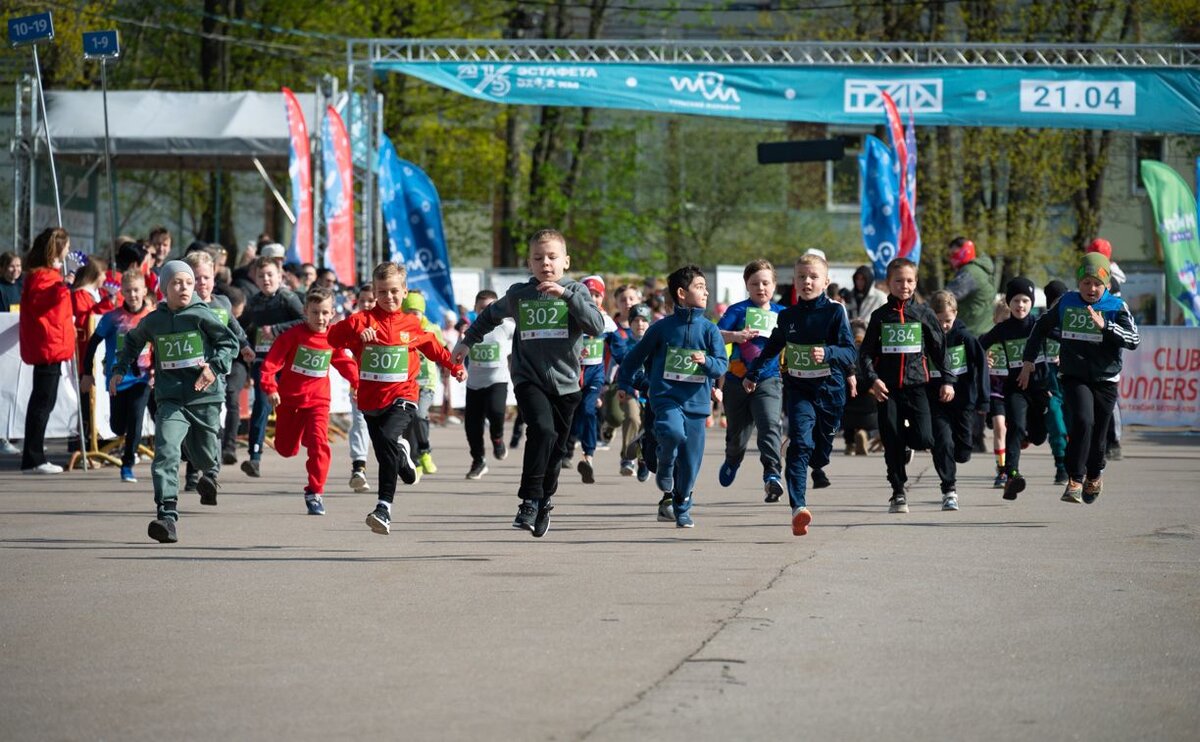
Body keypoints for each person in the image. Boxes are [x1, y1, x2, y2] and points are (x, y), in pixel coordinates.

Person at [451, 229, 605, 538]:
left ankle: (544, 500)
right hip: (528, 378)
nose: (545, 263)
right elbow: (489, 316)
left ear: (565, 261)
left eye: (552, 257)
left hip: (567, 384)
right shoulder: (520, 294)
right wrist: (467, 342)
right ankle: (528, 502)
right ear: (529, 263)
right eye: (538, 258)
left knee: (556, 449)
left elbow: (597, 326)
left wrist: (567, 297)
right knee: (542, 431)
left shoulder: (576, 290)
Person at [328, 262, 466, 535]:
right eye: (382, 292)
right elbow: (331, 337)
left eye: (393, 291)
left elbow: (434, 348)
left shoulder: (412, 324)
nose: (388, 297)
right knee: (386, 454)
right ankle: (402, 457)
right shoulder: (360, 320)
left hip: (404, 395)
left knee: (388, 438)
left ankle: (383, 508)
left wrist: (455, 367)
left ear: (404, 291)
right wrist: (356, 334)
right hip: (371, 401)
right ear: (374, 292)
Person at [110, 261, 239, 543]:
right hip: (170, 398)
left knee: (204, 454)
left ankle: (210, 475)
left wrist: (213, 368)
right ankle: (167, 515)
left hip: (204, 395)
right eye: (177, 283)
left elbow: (230, 343)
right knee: (166, 450)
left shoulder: (201, 314)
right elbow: (132, 341)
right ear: (164, 288)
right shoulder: (154, 320)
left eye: (189, 283)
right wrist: (119, 369)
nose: (184, 288)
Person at [743, 253, 855, 535]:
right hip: (799, 389)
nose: (807, 282)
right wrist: (753, 373)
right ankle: (798, 508)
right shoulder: (788, 316)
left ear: (826, 281)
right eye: (802, 277)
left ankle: (813, 459)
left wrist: (828, 352)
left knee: (820, 455)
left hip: (830, 390)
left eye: (814, 277)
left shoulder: (835, 312)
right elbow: (772, 347)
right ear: (794, 281)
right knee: (800, 446)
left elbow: (849, 351)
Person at [1020, 253, 1139, 504]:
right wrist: (1028, 359)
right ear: (1078, 283)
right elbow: (1040, 326)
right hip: (1074, 375)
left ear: (1107, 284)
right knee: (1083, 421)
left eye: (1097, 284)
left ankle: (1094, 475)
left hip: (1106, 379)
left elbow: (1133, 340)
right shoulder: (1067, 301)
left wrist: (1106, 327)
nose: (1091, 289)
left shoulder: (1116, 307)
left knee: (1099, 432)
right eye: (1086, 283)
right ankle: (1075, 478)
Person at [617, 265, 728, 527]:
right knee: (672, 432)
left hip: (697, 404)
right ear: (681, 293)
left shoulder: (710, 330)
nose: (706, 292)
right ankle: (665, 464)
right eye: (699, 287)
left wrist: (706, 362)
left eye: (705, 288)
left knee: (690, 464)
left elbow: (721, 365)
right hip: (666, 397)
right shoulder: (661, 328)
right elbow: (633, 358)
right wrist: (625, 382)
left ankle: (682, 504)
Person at [858, 257, 954, 513]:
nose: (905, 285)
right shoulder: (880, 316)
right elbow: (865, 354)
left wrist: (948, 380)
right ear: (888, 283)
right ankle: (898, 491)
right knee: (891, 438)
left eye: (910, 280)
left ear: (916, 282)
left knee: (925, 437)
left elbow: (939, 350)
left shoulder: (924, 314)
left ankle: (909, 444)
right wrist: (873, 379)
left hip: (916, 386)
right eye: (899, 281)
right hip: (887, 389)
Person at [259, 286, 359, 515]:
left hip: (318, 401)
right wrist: (270, 388)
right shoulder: (292, 336)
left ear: (332, 313)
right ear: (305, 311)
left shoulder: (333, 337)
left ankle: (315, 492)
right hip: (290, 402)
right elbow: (270, 365)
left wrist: (357, 383)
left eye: (325, 313)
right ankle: (301, 436)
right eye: (315, 312)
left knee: (319, 444)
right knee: (286, 449)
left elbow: (345, 363)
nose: (320, 318)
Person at [182, 250, 255, 489]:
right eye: (196, 278)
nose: (202, 282)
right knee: (191, 426)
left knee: (210, 425)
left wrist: (245, 346)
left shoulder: (222, 303)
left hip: (216, 373)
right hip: (187, 373)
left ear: (214, 278)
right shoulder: (181, 305)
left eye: (206, 277)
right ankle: (192, 471)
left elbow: (234, 327)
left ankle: (209, 475)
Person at [716, 259, 785, 500]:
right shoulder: (737, 310)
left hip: (768, 379)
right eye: (755, 283)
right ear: (747, 285)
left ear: (774, 285)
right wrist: (736, 335)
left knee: (769, 425)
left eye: (765, 283)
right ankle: (733, 459)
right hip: (737, 380)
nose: (761, 288)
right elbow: (715, 336)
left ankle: (772, 475)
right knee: (737, 436)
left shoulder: (782, 313)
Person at [979, 277, 1051, 500]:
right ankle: (1011, 474)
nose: (1020, 305)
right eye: (1016, 301)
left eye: (1025, 301)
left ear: (1032, 303)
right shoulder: (1003, 329)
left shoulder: (1039, 324)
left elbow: (1063, 339)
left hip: (1039, 389)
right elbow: (977, 346)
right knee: (1016, 426)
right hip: (1015, 388)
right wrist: (984, 358)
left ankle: (1027, 435)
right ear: (1009, 303)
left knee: (1038, 437)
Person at [81, 270, 154, 482]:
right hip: (118, 379)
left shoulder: (152, 317)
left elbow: (160, 345)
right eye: (128, 291)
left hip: (142, 379)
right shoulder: (112, 318)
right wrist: (87, 373)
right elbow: (92, 344)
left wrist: (156, 370)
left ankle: (127, 464)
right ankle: (123, 438)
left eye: (136, 290)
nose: (133, 295)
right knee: (118, 426)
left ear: (145, 291)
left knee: (136, 418)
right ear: (122, 292)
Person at [239, 256, 304, 477]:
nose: (266, 279)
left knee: (289, 406)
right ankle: (254, 457)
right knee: (261, 405)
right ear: (255, 279)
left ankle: (292, 441)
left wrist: (277, 329)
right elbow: (242, 327)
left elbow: (306, 321)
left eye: (270, 275)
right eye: (261, 276)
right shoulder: (254, 302)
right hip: (264, 362)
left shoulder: (288, 298)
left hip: (287, 362)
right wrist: (245, 345)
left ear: (279, 276)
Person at [19, 228, 76, 474]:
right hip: (48, 345)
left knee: (44, 402)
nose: (69, 250)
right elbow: (42, 301)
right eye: (67, 246)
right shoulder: (43, 276)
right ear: (57, 248)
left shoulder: (48, 275)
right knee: (42, 403)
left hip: (52, 344)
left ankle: (34, 456)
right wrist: (63, 285)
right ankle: (33, 458)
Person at [927, 290, 988, 510]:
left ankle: (953, 455)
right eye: (939, 321)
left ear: (955, 314)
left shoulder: (966, 338)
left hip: (963, 402)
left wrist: (984, 400)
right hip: (936, 402)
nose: (944, 325)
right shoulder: (926, 339)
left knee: (962, 453)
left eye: (948, 320)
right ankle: (949, 490)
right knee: (943, 442)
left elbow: (982, 366)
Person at [568, 275, 618, 483]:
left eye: (597, 295)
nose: (593, 299)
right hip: (571, 373)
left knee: (589, 410)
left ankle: (588, 457)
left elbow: (620, 350)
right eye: (588, 294)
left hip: (594, 375)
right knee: (571, 413)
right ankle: (567, 447)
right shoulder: (571, 317)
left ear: (603, 297)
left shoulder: (607, 322)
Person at [463, 289, 515, 480]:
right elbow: (457, 351)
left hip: (497, 381)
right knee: (472, 427)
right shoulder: (470, 329)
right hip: (474, 384)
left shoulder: (505, 327)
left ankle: (497, 438)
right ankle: (478, 461)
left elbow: (524, 335)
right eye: (482, 308)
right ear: (475, 309)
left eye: (491, 307)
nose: (486, 312)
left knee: (496, 414)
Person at [1085, 238, 1126, 461]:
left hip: (1109, 339)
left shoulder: (1111, 281)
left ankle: (1114, 439)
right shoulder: (1094, 276)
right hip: (1091, 339)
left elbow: (1112, 310)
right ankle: (1097, 439)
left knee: (1108, 388)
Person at [400, 290, 445, 478]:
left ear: (422, 313)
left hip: (427, 383)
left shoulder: (432, 329)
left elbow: (442, 351)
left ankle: (425, 450)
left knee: (419, 415)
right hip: (406, 384)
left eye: (416, 312)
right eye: (408, 312)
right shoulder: (400, 330)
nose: (412, 316)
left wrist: (452, 366)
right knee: (408, 422)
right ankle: (415, 461)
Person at [610, 303, 652, 478]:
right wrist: (617, 385)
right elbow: (618, 367)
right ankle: (627, 458)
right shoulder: (624, 344)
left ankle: (644, 460)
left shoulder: (656, 344)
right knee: (633, 418)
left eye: (644, 320)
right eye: (636, 320)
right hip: (630, 390)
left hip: (650, 392)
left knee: (647, 427)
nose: (640, 324)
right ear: (630, 322)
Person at [346, 283, 375, 492]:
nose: (366, 304)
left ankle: (398, 461)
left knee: (387, 430)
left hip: (387, 388)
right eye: (362, 300)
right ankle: (359, 468)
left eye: (370, 300)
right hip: (360, 384)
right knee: (360, 423)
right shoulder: (352, 323)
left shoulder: (389, 322)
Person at [1042, 279, 1071, 485]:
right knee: (1057, 426)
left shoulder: (1076, 325)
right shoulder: (1042, 328)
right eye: (1056, 303)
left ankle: (1076, 464)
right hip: (1051, 389)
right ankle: (1061, 466)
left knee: (1075, 427)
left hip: (1072, 387)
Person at [945, 237, 997, 337]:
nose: (951, 257)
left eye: (954, 253)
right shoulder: (982, 269)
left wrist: (923, 308)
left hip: (972, 331)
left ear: (964, 251)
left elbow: (945, 298)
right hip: (985, 328)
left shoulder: (969, 272)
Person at [984, 299, 1011, 488]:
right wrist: (984, 363)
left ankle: (1011, 463)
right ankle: (1002, 470)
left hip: (1015, 391)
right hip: (995, 391)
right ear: (995, 320)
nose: (1006, 327)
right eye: (1003, 322)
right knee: (999, 428)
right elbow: (975, 360)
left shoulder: (1020, 340)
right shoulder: (988, 341)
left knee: (1014, 431)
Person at [841, 319, 877, 456]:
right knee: (876, 421)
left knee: (848, 419)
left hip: (848, 396)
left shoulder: (843, 349)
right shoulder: (872, 350)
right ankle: (865, 434)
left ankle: (849, 444)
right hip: (869, 396)